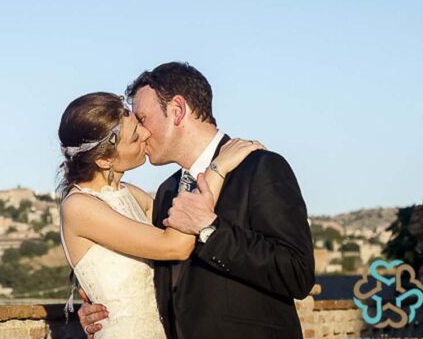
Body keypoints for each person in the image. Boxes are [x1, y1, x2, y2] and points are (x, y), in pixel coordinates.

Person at [76, 62, 315, 339]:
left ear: (177, 111)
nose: (140, 132)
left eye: (142, 118)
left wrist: (210, 229)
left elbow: (298, 274)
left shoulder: (260, 168)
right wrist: (105, 306)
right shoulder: (167, 191)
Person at [58, 91, 264, 339]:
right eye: (135, 137)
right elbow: (175, 245)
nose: (146, 134)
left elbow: (184, 232)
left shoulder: (132, 195)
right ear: (104, 159)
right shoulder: (79, 207)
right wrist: (217, 168)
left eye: (139, 124)